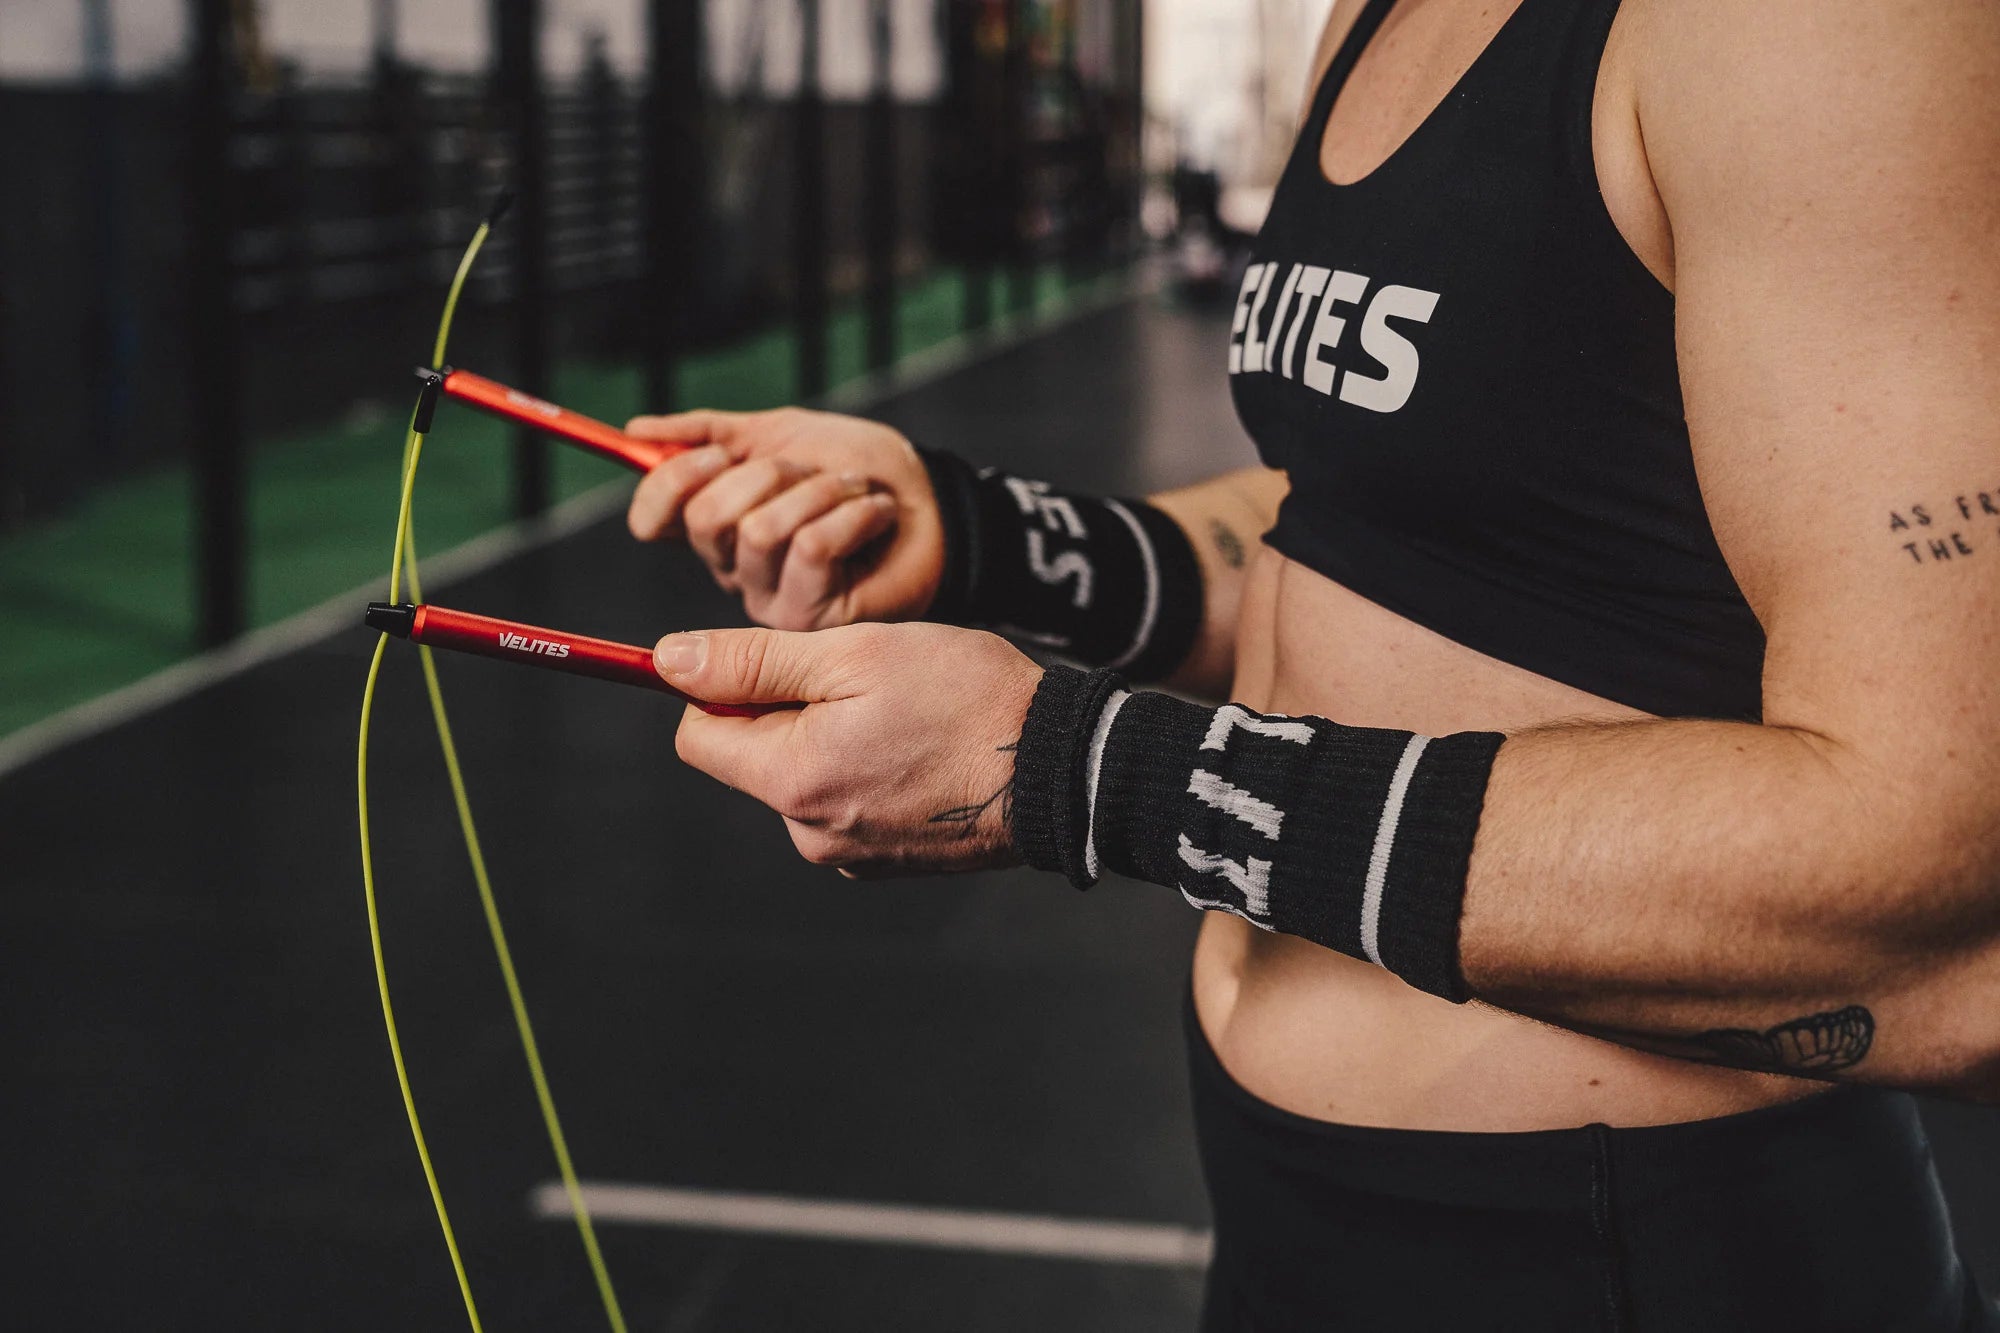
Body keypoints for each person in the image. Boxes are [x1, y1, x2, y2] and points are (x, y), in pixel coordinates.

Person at [619, 0, 2000, 1326]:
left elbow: (1946, 883)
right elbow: (1358, 528)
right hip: (1289, 1197)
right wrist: (991, 534)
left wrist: (1079, 770)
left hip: (1609, 1244)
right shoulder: (1380, 17)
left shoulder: (1824, 27)